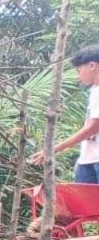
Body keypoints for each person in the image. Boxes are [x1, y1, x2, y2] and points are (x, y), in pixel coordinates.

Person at [31, 45, 99, 184]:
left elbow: (93, 128)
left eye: (79, 70)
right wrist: (83, 158)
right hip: (89, 159)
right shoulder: (94, 90)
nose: (77, 75)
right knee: (82, 204)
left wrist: (52, 149)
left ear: (92, 65)